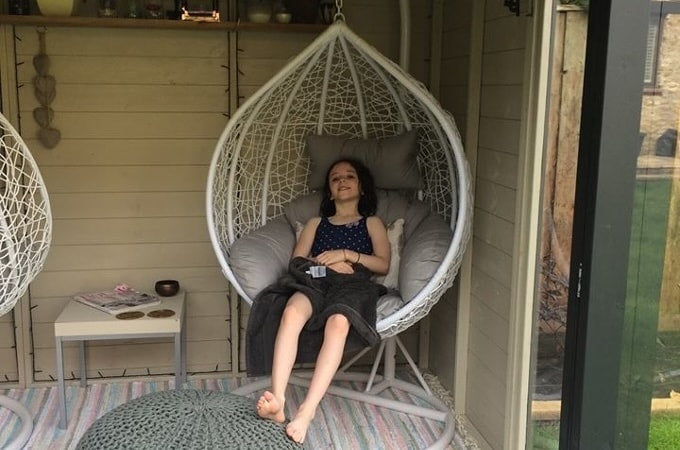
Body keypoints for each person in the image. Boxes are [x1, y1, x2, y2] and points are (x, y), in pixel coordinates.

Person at [255, 158, 390, 444]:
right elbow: (297, 263)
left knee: (339, 322)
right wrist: (324, 267)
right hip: (316, 280)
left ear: (361, 187)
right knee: (291, 311)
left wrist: (345, 254)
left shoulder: (372, 222)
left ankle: (307, 411)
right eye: (335, 178)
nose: (342, 181)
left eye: (349, 176)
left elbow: (383, 265)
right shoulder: (317, 223)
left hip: (354, 284)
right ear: (329, 191)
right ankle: (278, 400)